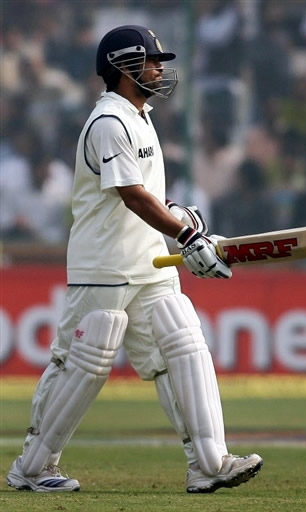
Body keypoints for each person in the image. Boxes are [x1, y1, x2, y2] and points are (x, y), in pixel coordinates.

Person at [7, 25, 263, 494]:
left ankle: (208, 464)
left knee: (182, 346)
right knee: (83, 362)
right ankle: (32, 468)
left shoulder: (140, 116)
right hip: (103, 264)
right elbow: (131, 195)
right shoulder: (109, 121)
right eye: (151, 60)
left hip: (148, 263)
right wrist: (186, 235)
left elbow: (149, 198)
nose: (160, 68)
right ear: (124, 67)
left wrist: (184, 221)